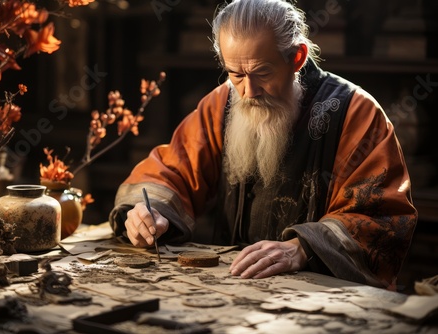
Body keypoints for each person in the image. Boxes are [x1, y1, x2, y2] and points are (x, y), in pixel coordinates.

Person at [109, 0, 417, 290]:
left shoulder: (355, 112)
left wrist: (303, 248)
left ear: (297, 57)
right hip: (232, 285)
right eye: (235, 75)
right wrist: (147, 213)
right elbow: (172, 170)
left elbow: (381, 216)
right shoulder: (221, 104)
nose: (249, 92)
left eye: (262, 73)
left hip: (320, 296)